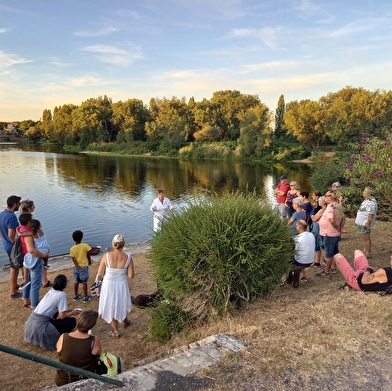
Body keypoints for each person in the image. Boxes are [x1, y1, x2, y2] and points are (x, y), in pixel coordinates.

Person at [24, 274, 81, 350]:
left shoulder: (51, 291)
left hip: (31, 324)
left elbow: (56, 308)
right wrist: (72, 312)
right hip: (42, 327)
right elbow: (62, 316)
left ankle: (53, 325)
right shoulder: (62, 295)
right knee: (72, 321)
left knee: (57, 312)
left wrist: (70, 309)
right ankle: (56, 333)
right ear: (64, 286)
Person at [98, 234, 134, 338]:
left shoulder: (106, 256)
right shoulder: (128, 258)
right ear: (124, 244)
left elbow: (100, 273)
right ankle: (125, 320)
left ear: (113, 244)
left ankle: (116, 331)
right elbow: (131, 276)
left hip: (109, 284)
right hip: (121, 283)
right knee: (121, 301)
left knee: (111, 304)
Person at [55, 310, 102, 386]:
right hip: (86, 381)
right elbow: (99, 355)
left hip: (64, 381)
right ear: (92, 325)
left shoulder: (63, 337)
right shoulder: (94, 340)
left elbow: (58, 350)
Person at [19, 199, 52, 287]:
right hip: (33, 247)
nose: (35, 207)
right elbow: (33, 233)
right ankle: (38, 281)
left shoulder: (24, 219)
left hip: (33, 245)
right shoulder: (29, 220)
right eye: (33, 206)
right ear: (29, 208)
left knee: (40, 262)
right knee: (39, 261)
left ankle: (43, 280)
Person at [19, 214, 49, 309]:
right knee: (35, 284)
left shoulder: (23, 231)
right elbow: (31, 249)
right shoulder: (33, 233)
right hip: (35, 260)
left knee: (27, 281)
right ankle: (34, 304)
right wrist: (44, 255)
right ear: (29, 222)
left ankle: (26, 299)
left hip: (27, 260)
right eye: (31, 219)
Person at [316, 191, 344, 277]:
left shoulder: (331, 206)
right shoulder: (338, 205)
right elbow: (343, 217)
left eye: (326, 195)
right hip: (334, 233)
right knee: (335, 252)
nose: (325, 197)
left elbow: (331, 220)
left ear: (331, 197)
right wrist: (340, 228)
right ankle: (333, 267)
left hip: (329, 234)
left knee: (329, 253)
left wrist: (337, 227)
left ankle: (327, 271)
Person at [0, 195, 22, 299]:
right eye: (19, 203)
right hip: (11, 246)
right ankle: (13, 292)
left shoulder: (2, 214)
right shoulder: (12, 216)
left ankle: (15, 285)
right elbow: (10, 235)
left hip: (5, 244)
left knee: (15, 266)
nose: (19, 205)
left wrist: (4, 239)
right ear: (14, 204)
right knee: (14, 267)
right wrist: (16, 245)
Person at [283, 220, 315, 285]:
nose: (296, 227)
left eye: (296, 226)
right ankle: (290, 279)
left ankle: (290, 279)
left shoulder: (298, 238)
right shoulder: (311, 234)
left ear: (300, 227)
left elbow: (295, 251)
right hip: (311, 260)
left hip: (302, 261)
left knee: (288, 259)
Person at [70, 230, 92, 303]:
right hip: (84, 267)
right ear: (82, 237)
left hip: (75, 267)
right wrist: (89, 261)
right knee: (84, 282)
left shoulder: (72, 248)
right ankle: (86, 297)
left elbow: (73, 259)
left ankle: (75, 296)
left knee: (76, 281)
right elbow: (88, 254)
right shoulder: (85, 246)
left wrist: (77, 267)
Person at [355, 187, 377, 258]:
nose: (363, 192)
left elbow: (371, 214)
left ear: (369, 193)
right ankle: (365, 250)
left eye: (365, 191)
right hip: (362, 222)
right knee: (364, 237)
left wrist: (367, 223)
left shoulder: (371, 202)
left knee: (366, 238)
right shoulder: (367, 200)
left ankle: (368, 253)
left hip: (365, 223)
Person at [309, 196, 327, 269]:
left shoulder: (322, 210)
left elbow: (314, 218)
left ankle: (317, 263)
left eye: (319, 201)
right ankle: (326, 261)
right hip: (322, 228)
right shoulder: (327, 208)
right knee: (323, 245)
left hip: (317, 229)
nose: (318, 202)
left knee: (317, 245)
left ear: (323, 202)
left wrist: (312, 210)